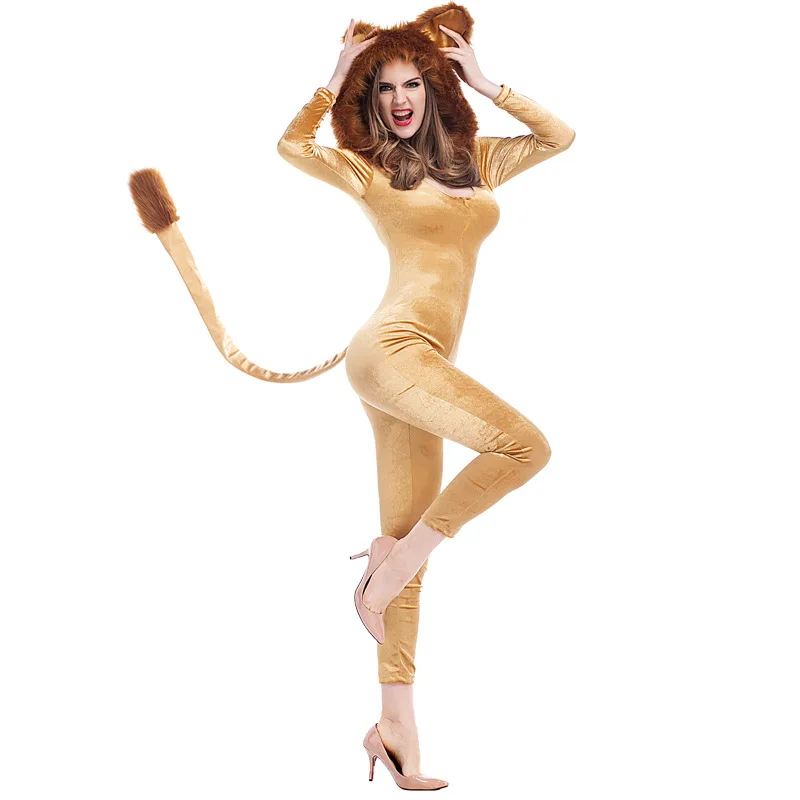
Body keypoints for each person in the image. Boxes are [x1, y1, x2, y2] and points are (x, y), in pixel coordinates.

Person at [128, 5, 574, 789]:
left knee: (404, 536)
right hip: (390, 354)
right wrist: (334, 77)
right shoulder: (369, 170)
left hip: (424, 366)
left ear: (434, 88)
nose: (398, 99)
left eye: (411, 84)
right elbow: (292, 146)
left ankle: (394, 726)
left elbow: (559, 138)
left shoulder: (478, 161)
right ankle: (387, 572)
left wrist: (485, 81)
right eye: (382, 88)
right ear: (369, 101)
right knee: (523, 447)